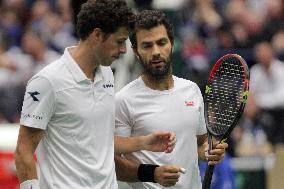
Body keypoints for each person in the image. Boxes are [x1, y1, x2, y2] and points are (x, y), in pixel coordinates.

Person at [14, 1, 176, 189]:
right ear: (97, 35)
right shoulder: (47, 82)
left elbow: (99, 141)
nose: (123, 49)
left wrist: (144, 142)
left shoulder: (106, 74)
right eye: (119, 41)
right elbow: (23, 151)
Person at [115, 10, 228, 188]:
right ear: (136, 51)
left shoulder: (191, 90)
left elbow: (200, 144)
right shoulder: (123, 100)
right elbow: (114, 163)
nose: (156, 52)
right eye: (147, 46)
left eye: (161, 43)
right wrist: (152, 174)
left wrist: (209, 152)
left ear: (172, 44)